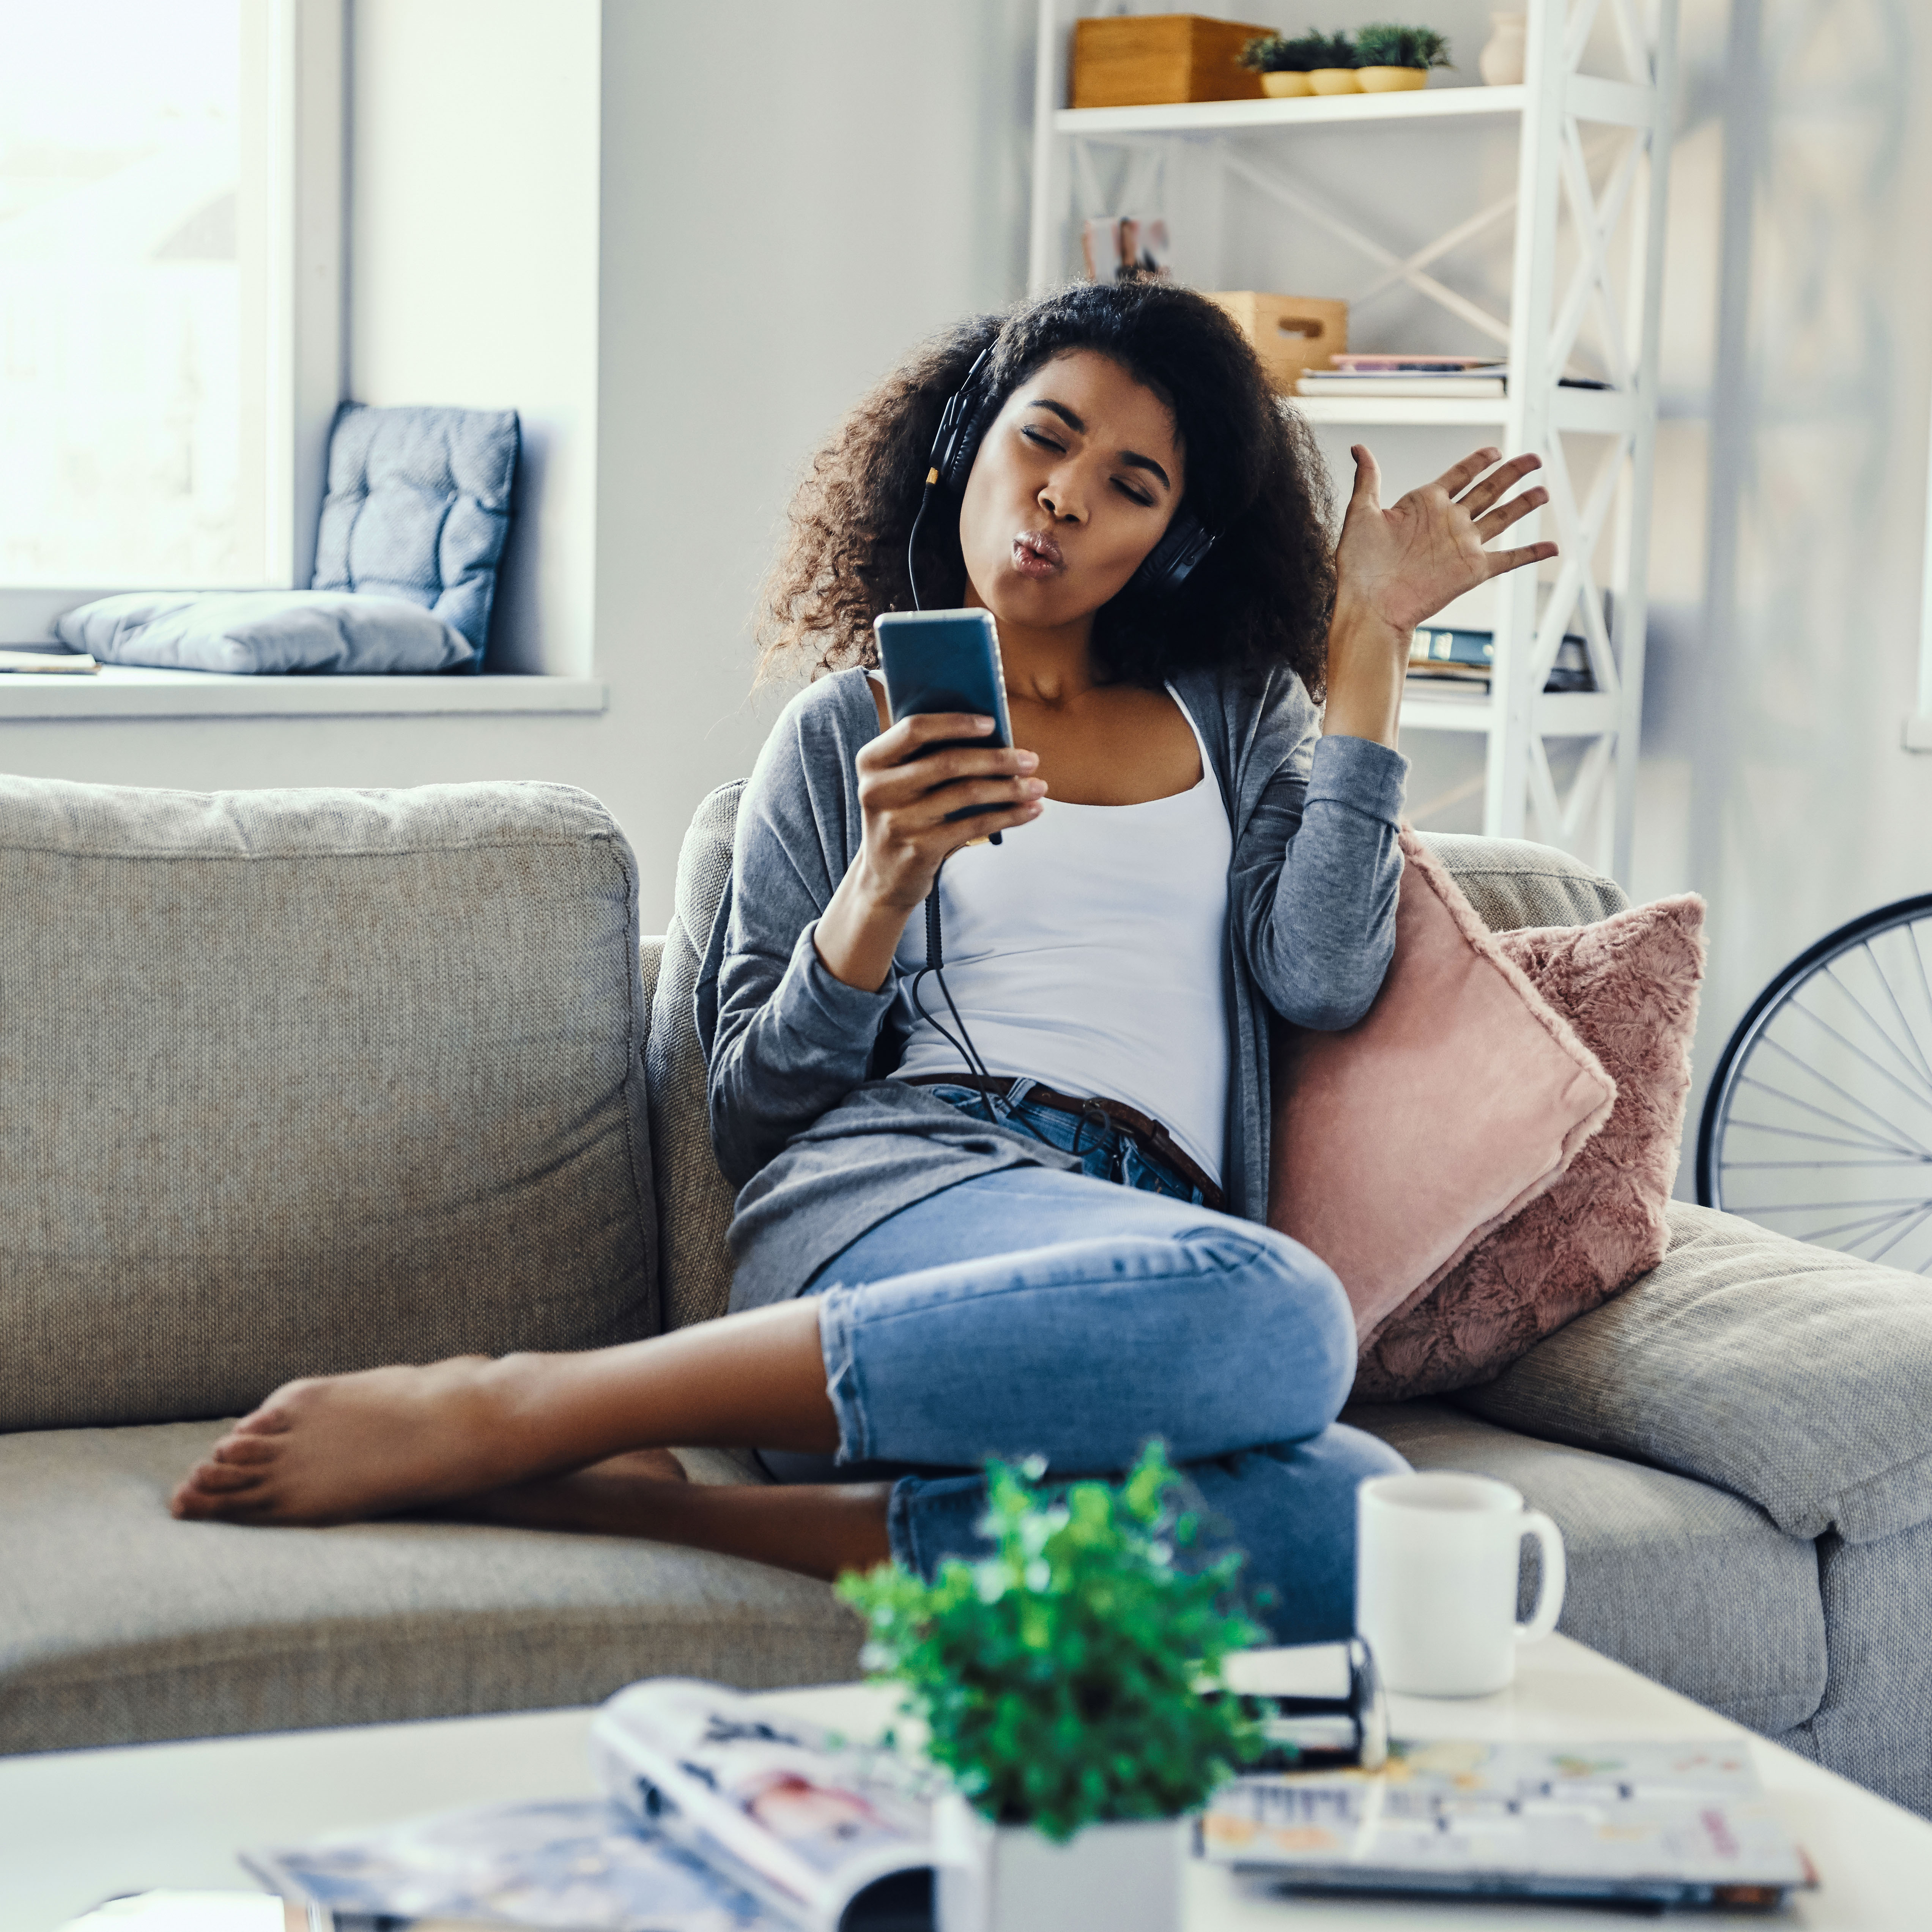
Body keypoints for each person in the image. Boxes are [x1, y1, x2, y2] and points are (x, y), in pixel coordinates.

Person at [172, 281, 1554, 1639]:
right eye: (1046, 434)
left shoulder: (1238, 719)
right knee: (1284, 1320)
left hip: (1138, 1273)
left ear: (1174, 546)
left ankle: (650, 1508)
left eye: (1133, 485)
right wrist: (881, 889)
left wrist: (1365, 642)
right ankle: (523, 1402)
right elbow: (750, 1114)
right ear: (967, 435)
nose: (1067, 494)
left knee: (1367, 1522)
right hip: (899, 1203)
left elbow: (1320, 974)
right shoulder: (842, 734)